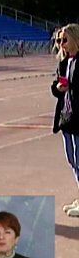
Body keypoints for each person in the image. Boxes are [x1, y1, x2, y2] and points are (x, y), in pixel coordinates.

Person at [53, 24, 79, 216]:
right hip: (65, 116)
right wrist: (58, 88)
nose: (61, 44)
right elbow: (56, 86)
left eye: (64, 40)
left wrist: (71, 86)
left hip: (78, 117)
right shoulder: (63, 61)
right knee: (72, 160)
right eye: (58, 40)